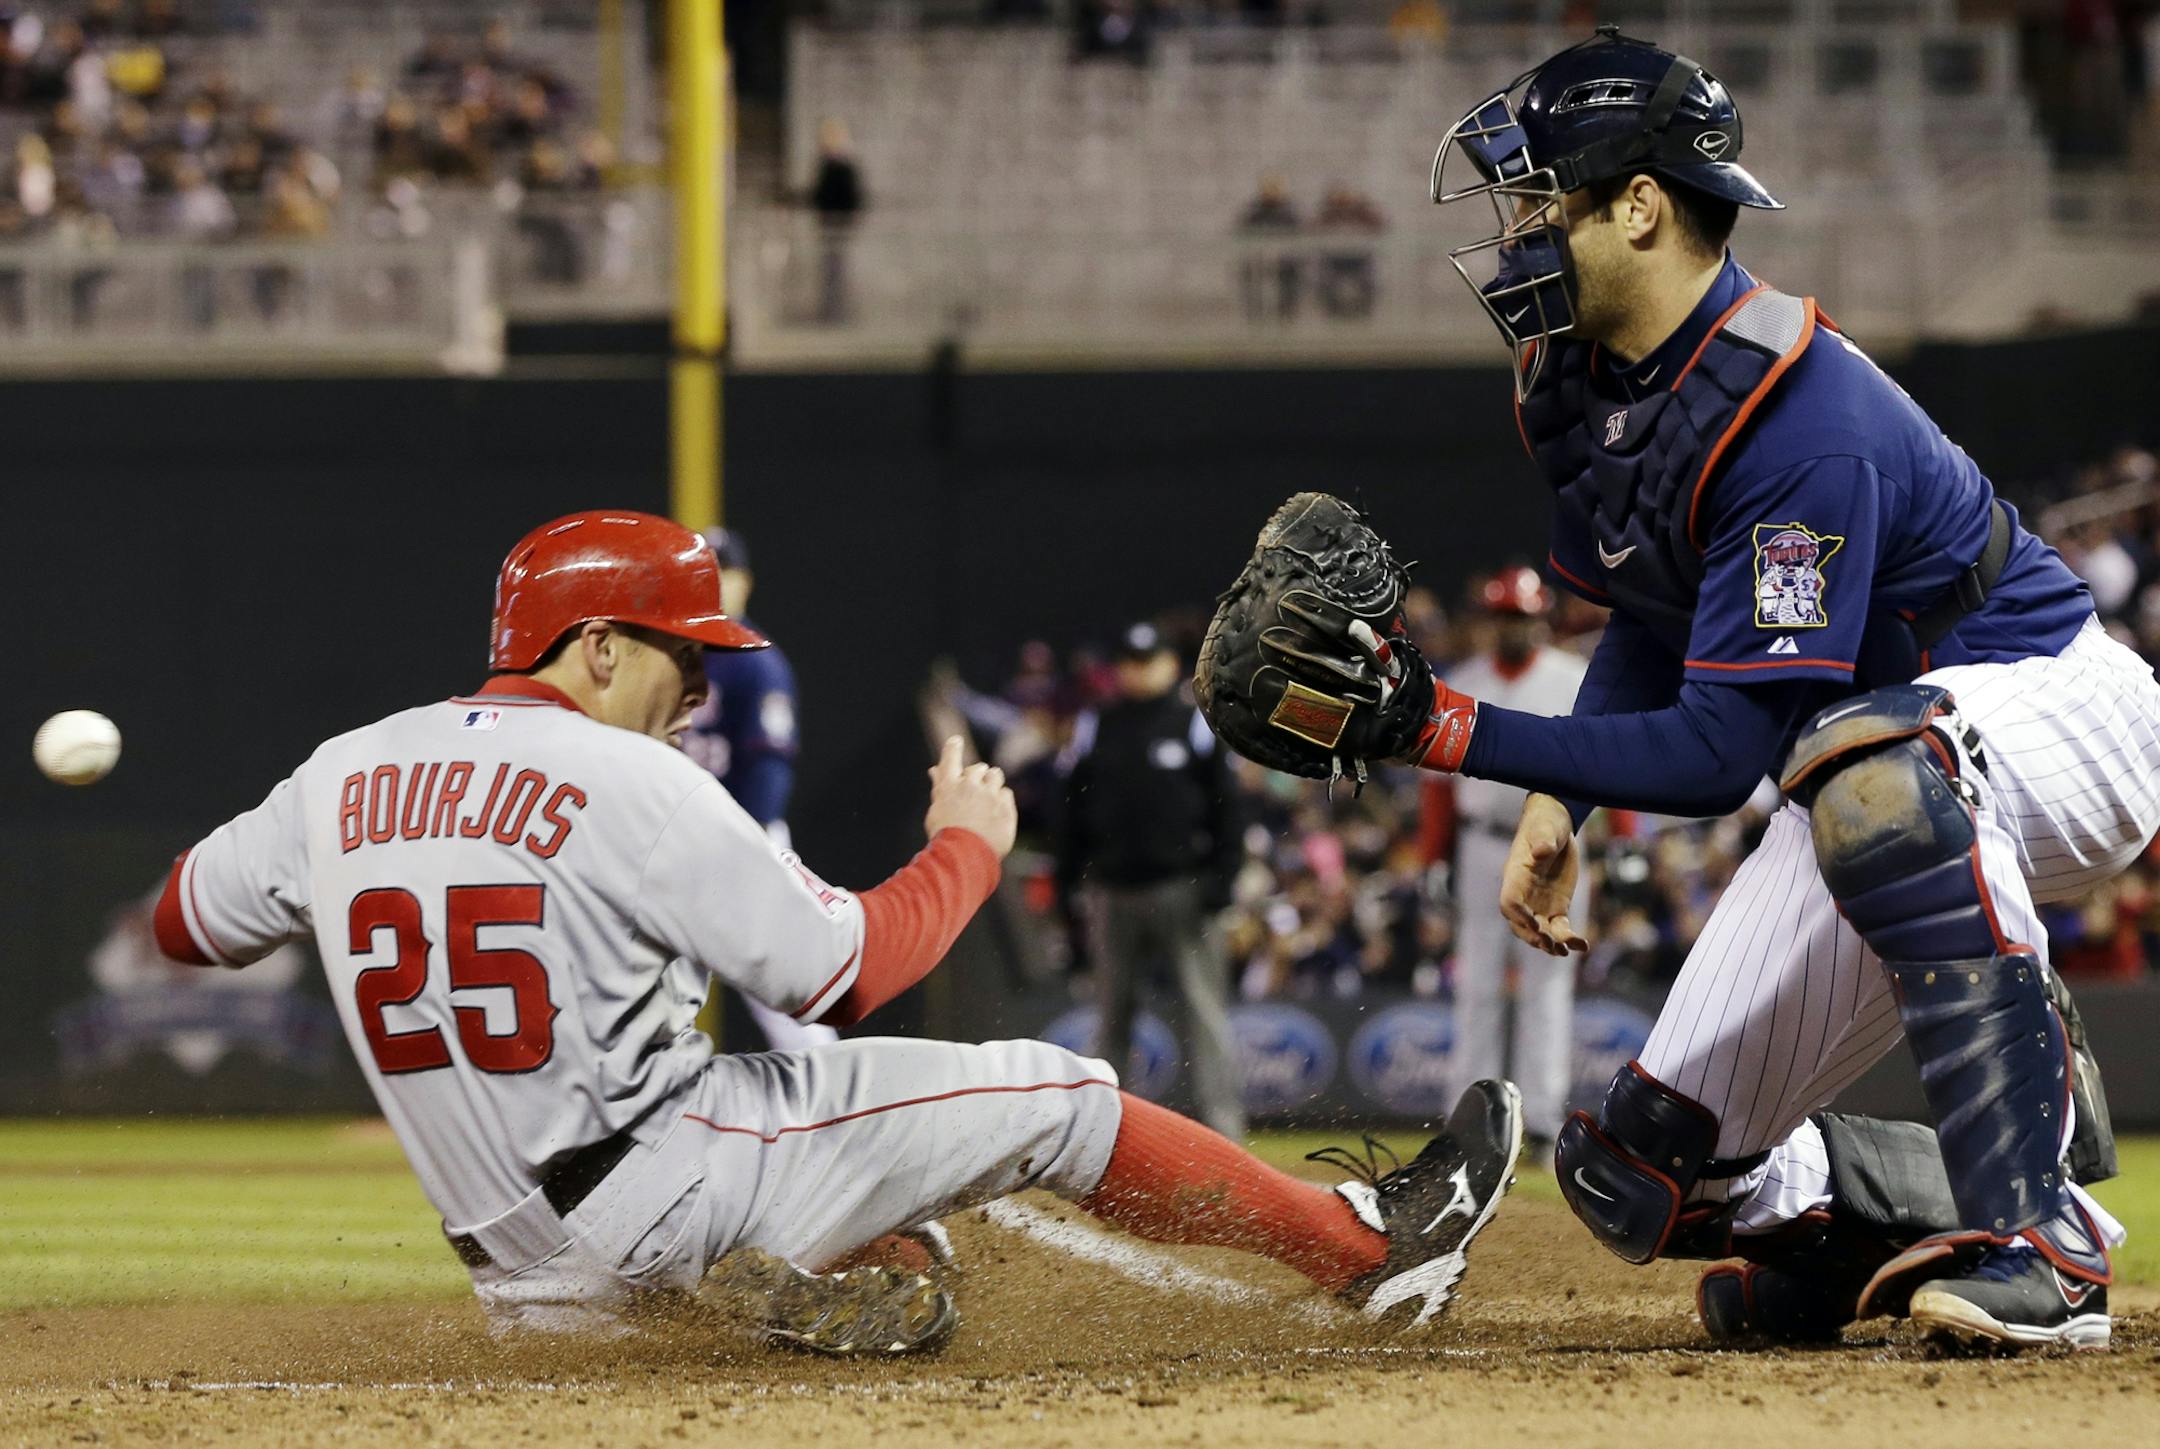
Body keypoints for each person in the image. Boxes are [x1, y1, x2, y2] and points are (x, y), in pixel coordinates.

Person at [1231, 27, 2156, 1350]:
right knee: (1639, 1174)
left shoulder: (1802, 420)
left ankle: (2044, 1244)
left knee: (1871, 768)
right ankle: (1873, 1231)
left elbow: (1725, 751)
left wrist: (1437, 726)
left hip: (2061, 711)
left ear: (1643, 206)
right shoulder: (1590, 382)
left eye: (1543, 199)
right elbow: (1648, 616)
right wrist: (1559, 799)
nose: (1519, 232)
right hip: (1886, 763)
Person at [150, 510, 1523, 1351]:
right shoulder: (630, 777)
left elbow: (184, 923)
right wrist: (968, 848)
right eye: (683, 656)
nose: (699, 690)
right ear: (598, 648)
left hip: (513, 1270)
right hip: (666, 1184)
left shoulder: (339, 774)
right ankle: (1375, 1249)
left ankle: (846, 1283)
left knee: (893, 1202)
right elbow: (851, 967)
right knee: (1059, 1094)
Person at [1057, 622, 1246, 1141]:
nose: (1139, 670)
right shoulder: (1097, 725)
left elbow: (1228, 808)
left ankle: (1223, 1135)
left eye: (1148, 660)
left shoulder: (1192, 723)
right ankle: (1101, 1138)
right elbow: (1072, 811)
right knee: (1111, 1017)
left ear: (1169, 664)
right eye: (1130, 661)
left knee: (1204, 1015)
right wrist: (1067, 882)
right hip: (1112, 890)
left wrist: (1224, 877)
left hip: (1181, 888)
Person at [1429, 568, 1588, 1163]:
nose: (1513, 627)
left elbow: (1609, 760)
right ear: (1488, 620)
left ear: (1541, 618)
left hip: (1560, 848)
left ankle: (1542, 1122)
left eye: (1522, 616)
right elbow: (1437, 787)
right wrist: (1433, 858)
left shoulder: (1573, 679)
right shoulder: (1462, 682)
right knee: (1477, 985)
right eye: (1504, 616)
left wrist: (1624, 842)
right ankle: (1470, 1119)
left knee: (1549, 982)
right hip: (1483, 844)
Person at [683, 526, 833, 1055]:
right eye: (704, 573)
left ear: (745, 582)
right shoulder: (670, 655)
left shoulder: (756, 660)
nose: (716, 584)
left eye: (725, 573)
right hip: (676, 844)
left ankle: (836, 1104)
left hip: (747, 841)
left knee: (784, 991)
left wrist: (742, 845)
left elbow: (769, 768)